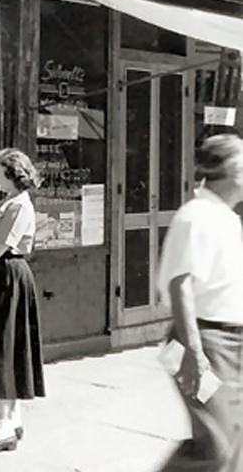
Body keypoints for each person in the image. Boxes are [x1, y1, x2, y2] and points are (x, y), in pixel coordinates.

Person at [157, 134, 243, 471]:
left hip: (230, 343)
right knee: (216, 446)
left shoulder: (226, 218)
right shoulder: (196, 216)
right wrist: (194, 354)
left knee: (235, 440)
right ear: (232, 171)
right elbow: (180, 285)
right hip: (200, 343)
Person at [0, 148, 45, 453]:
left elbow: (1, 245)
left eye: (0, 172)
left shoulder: (17, 206)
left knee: (2, 347)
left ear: (13, 175)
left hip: (6, 275)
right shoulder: (9, 202)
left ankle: (4, 426)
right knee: (8, 345)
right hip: (5, 275)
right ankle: (11, 420)